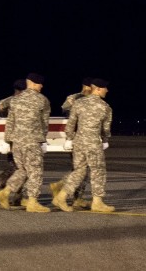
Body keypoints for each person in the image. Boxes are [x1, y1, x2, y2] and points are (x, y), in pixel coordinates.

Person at [53, 78, 115, 213]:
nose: (107, 90)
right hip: (93, 143)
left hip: (78, 142)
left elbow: (71, 123)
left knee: (79, 171)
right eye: (105, 88)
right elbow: (105, 129)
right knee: (98, 171)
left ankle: (61, 197)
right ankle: (97, 202)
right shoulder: (105, 107)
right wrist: (105, 140)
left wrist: (69, 139)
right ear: (98, 89)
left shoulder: (78, 103)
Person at [0, 73, 52, 212]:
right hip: (32, 141)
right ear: (31, 83)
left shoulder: (15, 100)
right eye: (39, 83)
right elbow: (44, 123)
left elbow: (10, 122)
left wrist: (8, 140)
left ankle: (5, 192)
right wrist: (42, 139)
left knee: (23, 170)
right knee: (35, 171)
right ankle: (32, 202)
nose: (41, 86)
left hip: (17, 142)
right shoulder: (42, 100)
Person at [51, 77, 94, 208]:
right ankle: (64, 188)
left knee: (80, 168)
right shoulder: (78, 98)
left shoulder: (78, 99)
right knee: (81, 169)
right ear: (87, 87)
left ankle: (76, 197)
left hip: (80, 137)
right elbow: (67, 113)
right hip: (79, 138)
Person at [0, 78, 26, 205]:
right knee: (22, 167)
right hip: (20, 138)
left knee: (16, 166)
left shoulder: (4, 102)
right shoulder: (22, 102)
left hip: (7, 139)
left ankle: (16, 195)